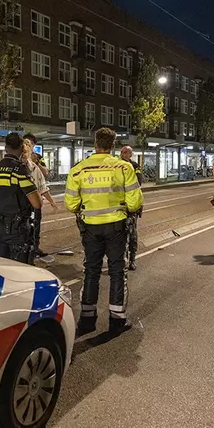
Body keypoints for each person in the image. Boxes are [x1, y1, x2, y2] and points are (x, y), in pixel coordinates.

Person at [65, 128, 144, 336]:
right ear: (113, 145)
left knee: (91, 271)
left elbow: (71, 204)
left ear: (95, 144)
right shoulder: (124, 168)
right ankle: (116, 320)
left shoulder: (78, 170)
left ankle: (87, 320)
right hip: (117, 227)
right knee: (118, 271)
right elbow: (135, 201)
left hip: (90, 228)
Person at [0, 133, 43, 263]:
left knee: (1, 266)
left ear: (6, 148)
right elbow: (37, 204)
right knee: (19, 269)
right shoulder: (20, 170)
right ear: (22, 148)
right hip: (17, 229)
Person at [21, 143, 57, 264]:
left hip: (34, 204)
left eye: (26, 151)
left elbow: (42, 186)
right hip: (21, 207)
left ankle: (33, 250)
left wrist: (51, 201)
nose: (24, 154)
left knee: (35, 228)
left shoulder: (34, 168)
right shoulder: (16, 167)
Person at [119, 146, 144, 270]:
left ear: (130, 155)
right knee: (119, 235)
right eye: (121, 152)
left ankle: (132, 259)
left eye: (125, 152)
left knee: (132, 234)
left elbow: (138, 182)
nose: (122, 154)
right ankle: (121, 259)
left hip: (131, 207)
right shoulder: (116, 165)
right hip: (119, 206)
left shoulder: (135, 166)